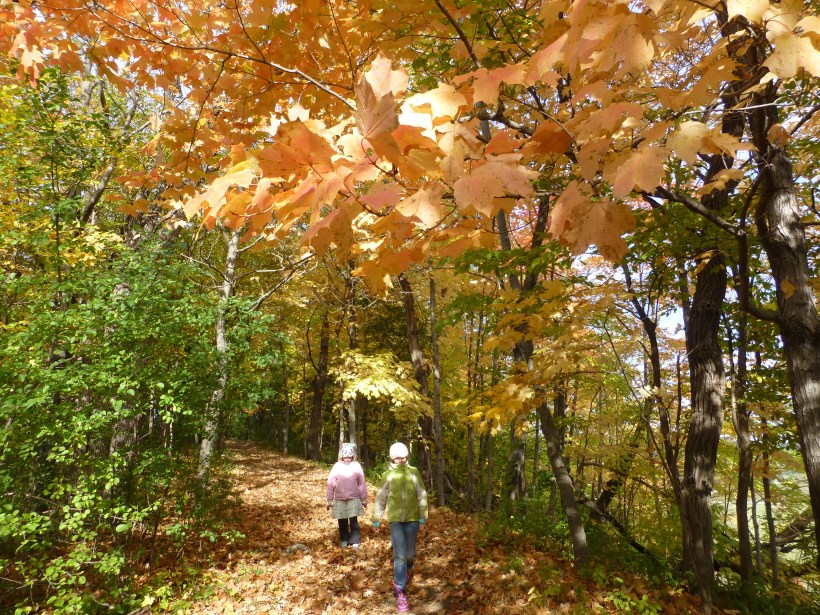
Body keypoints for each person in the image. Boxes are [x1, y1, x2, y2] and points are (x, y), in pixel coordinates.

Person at [372, 442, 428, 613]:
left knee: (410, 554)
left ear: (407, 457)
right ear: (392, 458)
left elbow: (422, 494)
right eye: (397, 457)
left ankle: (408, 569)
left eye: (403, 457)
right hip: (395, 520)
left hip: (412, 519)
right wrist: (376, 518)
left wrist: (422, 517)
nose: (401, 460)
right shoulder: (388, 475)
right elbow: (381, 497)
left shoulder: (414, 472)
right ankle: (400, 590)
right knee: (400, 556)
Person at [326, 442, 368, 548]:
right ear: (342, 456)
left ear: (353, 456)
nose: (348, 459)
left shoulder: (357, 466)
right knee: (342, 520)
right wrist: (329, 500)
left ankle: (355, 540)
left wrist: (363, 499)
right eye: (345, 457)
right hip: (340, 498)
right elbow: (331, 482)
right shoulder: (337, 466)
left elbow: (361, 483)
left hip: (353, 498)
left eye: (350, 457)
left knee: (353, 520)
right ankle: (344, 538)